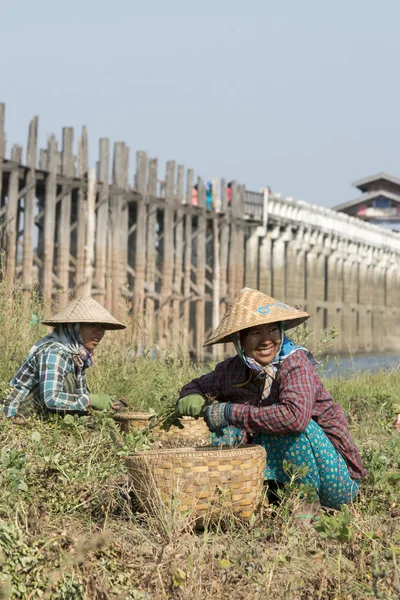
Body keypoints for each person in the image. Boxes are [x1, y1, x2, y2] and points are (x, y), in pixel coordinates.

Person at [175, 288, 366, 513]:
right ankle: (242, 502)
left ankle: (306, 510)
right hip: (281, 480)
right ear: (240, 340)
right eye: (255, 333)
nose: (266, 340)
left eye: (273, 330)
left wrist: (229, 412)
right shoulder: (233, 370)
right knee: (227, 433)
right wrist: (191, 395)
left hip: (335, 482)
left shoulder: (295, 365)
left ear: (282, 332)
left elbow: (294, 419)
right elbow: (195, 386)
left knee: (289, 428)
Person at [2, 296, 126, 419]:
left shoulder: (77, 355)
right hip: (17, 413)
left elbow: (79, 395)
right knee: (68, 380)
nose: (99, 332)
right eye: (92, 324)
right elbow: (52, 398)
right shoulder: (54, 352)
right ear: (73, 327)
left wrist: (103, 406)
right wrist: (91, 400)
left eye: (102, 327)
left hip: (42, 408)